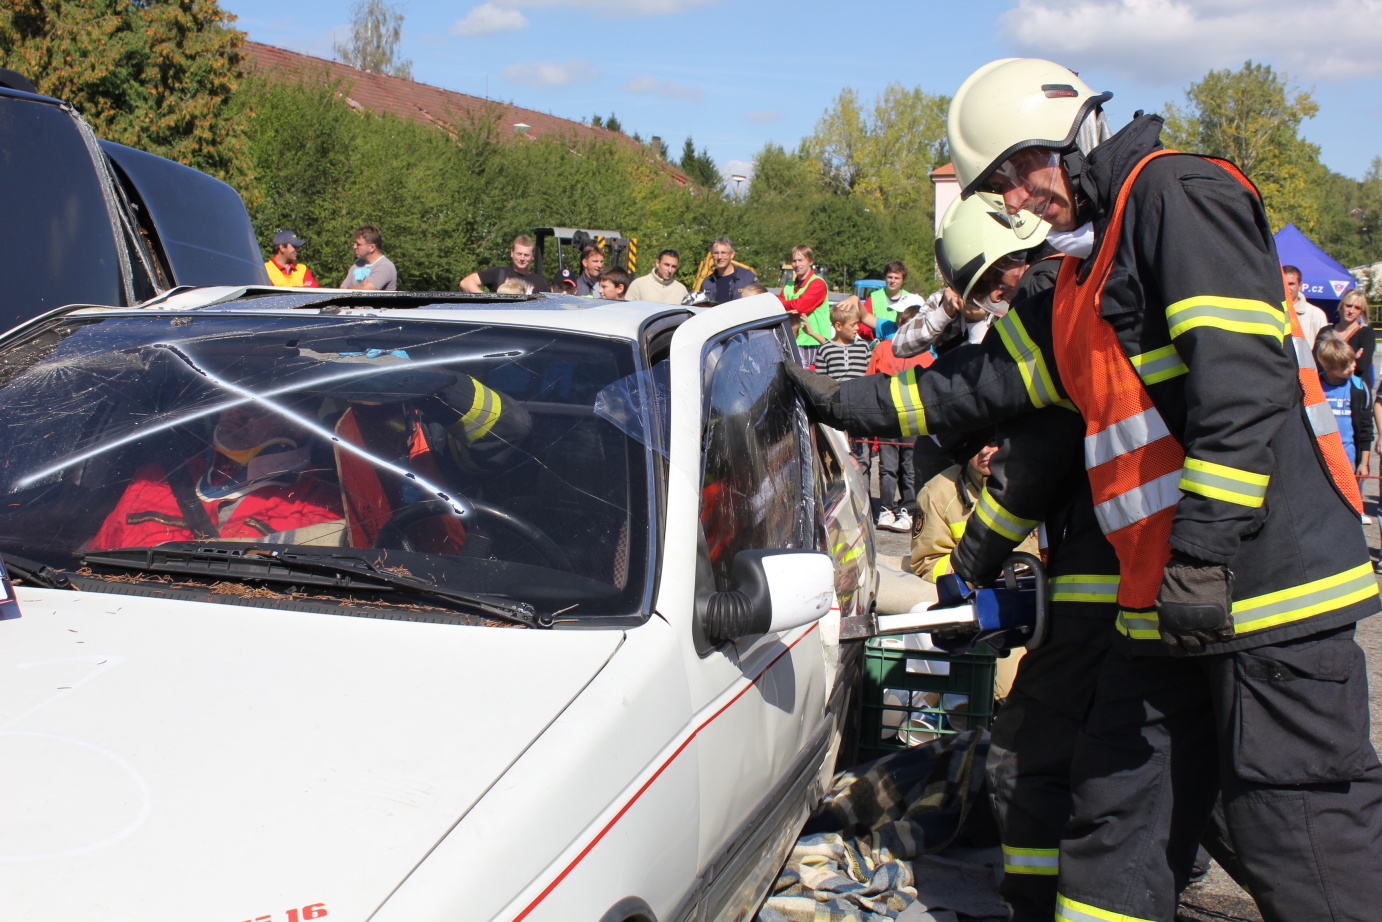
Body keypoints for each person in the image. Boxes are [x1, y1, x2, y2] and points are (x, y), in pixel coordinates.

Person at [788, 56, 1382, 922]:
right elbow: (972, 386)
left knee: (1296, 831)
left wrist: (1205, 559)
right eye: (998, 189)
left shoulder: (1178, 197)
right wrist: (840, 397)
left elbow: (1242, 388)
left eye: (1017, 176)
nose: (1015, 202)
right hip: (1166, 609)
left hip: (1265, 596)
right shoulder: (1076, 280)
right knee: (1114, 831)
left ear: (1068, 136)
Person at [90, 403, 346, 551]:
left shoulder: (321, 505)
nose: (236, 412)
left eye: (256, 407)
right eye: (231, 399)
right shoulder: (156, 479)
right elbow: (97, 557)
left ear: (299, 424)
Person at [867, 303, 930, 533]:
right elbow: (870, 380)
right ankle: (886, 508)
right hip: (887, 419)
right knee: (887, 467)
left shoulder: (926, 355)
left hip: (913, 420)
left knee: (910, 466)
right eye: (902, 324)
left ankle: (908, 509)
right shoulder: (882, 349)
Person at [815, 300, 873, 471]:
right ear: (838, 326)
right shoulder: (825, 349)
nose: (858, 329)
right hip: (837, 412)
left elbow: (870, 376)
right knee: (837, 455)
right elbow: (821, 382)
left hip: (860, 409)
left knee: (862, 457)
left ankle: (864, 492)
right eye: (854, 324)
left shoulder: (863, 347)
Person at [1317, 335, 1373, 486]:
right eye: (1345, 367)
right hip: (1319, 457)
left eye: (1352, 362)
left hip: (1348, 457)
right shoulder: (1315, 386)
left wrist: (1364, 463)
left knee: (1350, 502)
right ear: (1328, 368)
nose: (1352, 368)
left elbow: (1365, 428)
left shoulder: (1359, 388)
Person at [779, 245, 831, 367]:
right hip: (794, 342)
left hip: (814, 342)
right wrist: (790, 306)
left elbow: (801, 307)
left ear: (810, 261)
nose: (797, 264)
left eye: (801, 260)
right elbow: (777, 307)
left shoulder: (817, 283)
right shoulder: (789, 286)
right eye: (794, 261)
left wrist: (786, 306)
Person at [458, 235, 549, 293]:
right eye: (519, 254)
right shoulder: (498, 273)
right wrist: (485, 298)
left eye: (526, 255)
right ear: (511, 253)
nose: (522, 258)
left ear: (532, 256)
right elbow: (466, 282)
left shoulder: (540, 281)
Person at [1330, 288, 1375, 390]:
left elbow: (1360, 366)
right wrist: (1352, 358)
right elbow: (1318, 363)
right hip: (1327, 389)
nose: (1351, 311)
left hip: (1356, 390)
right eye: (1348, 305)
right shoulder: (1326, 331)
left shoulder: (1366, 334)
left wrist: (1331, 360)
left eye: (1357, 308)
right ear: (1341, 306)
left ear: (1361, 311)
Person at [698, 237, 758, 303]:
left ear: (732, 254)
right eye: (716, 253)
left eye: (723, 253)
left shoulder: (747, 277)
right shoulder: (707, 282)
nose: (719, 257)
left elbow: (760, 302)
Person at [340, 225, 397, 291]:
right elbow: (341, 291)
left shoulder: (385, 266)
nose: (354, 246)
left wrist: (350, 287)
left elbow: (365, 292)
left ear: (372, 247)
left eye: (358, 244)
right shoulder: (357, 264)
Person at [1282, 265, 1327, 345]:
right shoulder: (1271, 311)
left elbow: (1324, 347)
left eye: (1291, 284)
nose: (1287, 288)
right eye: (1284, 284)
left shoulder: (1316, 314)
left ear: (1300, 286)